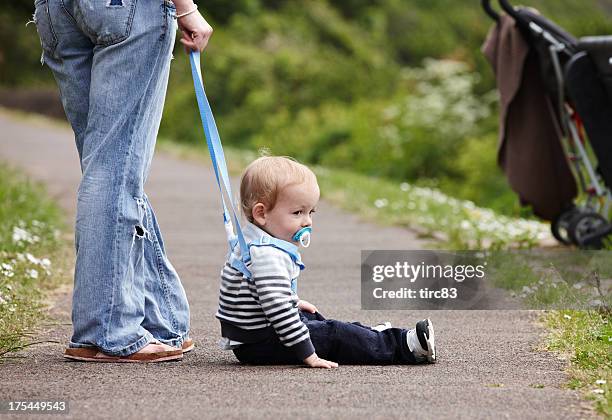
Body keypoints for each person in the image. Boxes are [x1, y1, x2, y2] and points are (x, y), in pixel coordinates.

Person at [33, 0, 212, 362]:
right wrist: (186, 6)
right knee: (114, 169)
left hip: (55, 10)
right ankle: (108, 330)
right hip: (127, 9)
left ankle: (160, 319)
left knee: (110, 167)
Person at [216, 156, 437, 367]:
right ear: (262, 213)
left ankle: (368, 336)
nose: (307, 222)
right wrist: (308, 354)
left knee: (313, 319)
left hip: (255, 335)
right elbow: (277, 308)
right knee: (333, 334)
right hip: (261, 343)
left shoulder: (252, 241)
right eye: (298, 212)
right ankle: (404, 346)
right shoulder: (267, 254)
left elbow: (260, 293)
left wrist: (292, 301)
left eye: (311, 212)